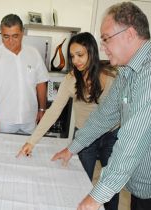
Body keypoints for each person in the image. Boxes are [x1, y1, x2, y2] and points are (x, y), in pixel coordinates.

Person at [51, 2, 151, 210]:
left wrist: (98, 196)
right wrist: (73, 148)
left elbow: (133, 139)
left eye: (106, 38)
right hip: (141, 187)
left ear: (130, 34)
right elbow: (104, 116)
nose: (102, 46)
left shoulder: (148, 74)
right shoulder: (126, 73)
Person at [17, 32, 119, 210]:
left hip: (110, 135)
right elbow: (53, 112)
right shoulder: (71, 79)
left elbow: (107, 116)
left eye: (80, 55)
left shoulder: (109, 78)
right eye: (72, 56)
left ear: (92, 53)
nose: (76, 61)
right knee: (81, 180)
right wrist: (31, 141)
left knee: (111, 185)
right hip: (84, 136)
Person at [0, 14, 49, 134]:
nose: (10, 41)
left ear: (22, 33)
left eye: (15, 36)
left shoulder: (33, 53)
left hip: (30, 119)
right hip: (3, 120)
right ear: (1, 34)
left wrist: (42, 109)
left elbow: (41, 83)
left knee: (29, 152)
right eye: (6, 37)